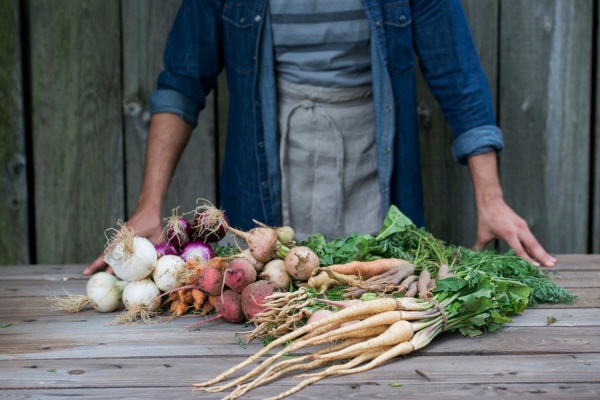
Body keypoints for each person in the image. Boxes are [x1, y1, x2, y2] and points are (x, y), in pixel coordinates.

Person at [84, 0, 555, 275]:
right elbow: (181, 84)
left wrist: (490, 198)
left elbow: (459, 78)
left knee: (378, 307)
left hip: (376, 175)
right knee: (262, 311)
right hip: (264, 182)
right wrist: (150, 206)